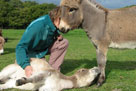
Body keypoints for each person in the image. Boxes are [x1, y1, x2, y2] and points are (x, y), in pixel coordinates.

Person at [16, 7, 69, 77]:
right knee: (38, 73)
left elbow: (50, 31)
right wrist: (26, 66)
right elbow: (21, 47)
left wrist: (57, 34)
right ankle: (21, 63)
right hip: (31, 53)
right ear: (57, 18)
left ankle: (53, 70)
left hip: (41, 50)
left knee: (63, 42)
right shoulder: (37, 26)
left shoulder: (52, 23)